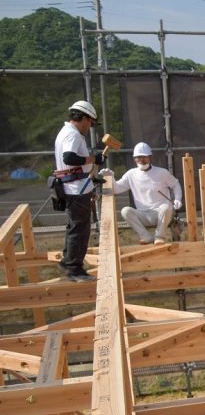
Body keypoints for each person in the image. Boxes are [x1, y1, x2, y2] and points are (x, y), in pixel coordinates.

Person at [52, 99, 104, 282]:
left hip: (73, 185)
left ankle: (68, 261)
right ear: (83, 118)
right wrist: (92, 159)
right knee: (80, 229)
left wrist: (90, 174)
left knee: (74, 226)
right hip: (76, 190)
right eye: (90, 122)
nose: (89, 127)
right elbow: (70, 158)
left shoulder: (66, 132)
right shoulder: (72, 134)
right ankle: (75, 269)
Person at [109, 142, 182, 244]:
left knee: (166, 207)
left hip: (161, 214)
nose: (142, 160)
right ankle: (146, 237)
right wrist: (110, 177)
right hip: (143, 215)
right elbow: (116, 189)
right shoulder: (131, 174)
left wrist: (177, 198)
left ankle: (159, 237)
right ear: (134, 159)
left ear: (150, 157)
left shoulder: (162, 172)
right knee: (125, 211)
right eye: (139, 157)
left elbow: (175, 184)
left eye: (144, 157)